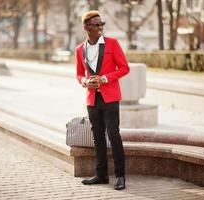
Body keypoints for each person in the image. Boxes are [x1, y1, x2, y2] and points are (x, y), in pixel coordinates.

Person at [75, 10, 130, 190]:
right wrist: (85, 81)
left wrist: (104, 78)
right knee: (97, 138)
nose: (100, 27)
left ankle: (120, 176)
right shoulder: (79, 49)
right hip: (92, 99)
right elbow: (78, 74)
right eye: (96, 24)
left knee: (113, 135)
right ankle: (101, 175)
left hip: (110, 97)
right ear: (86, 27)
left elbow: (124, 68)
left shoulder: (112, 44)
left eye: (102, 24)